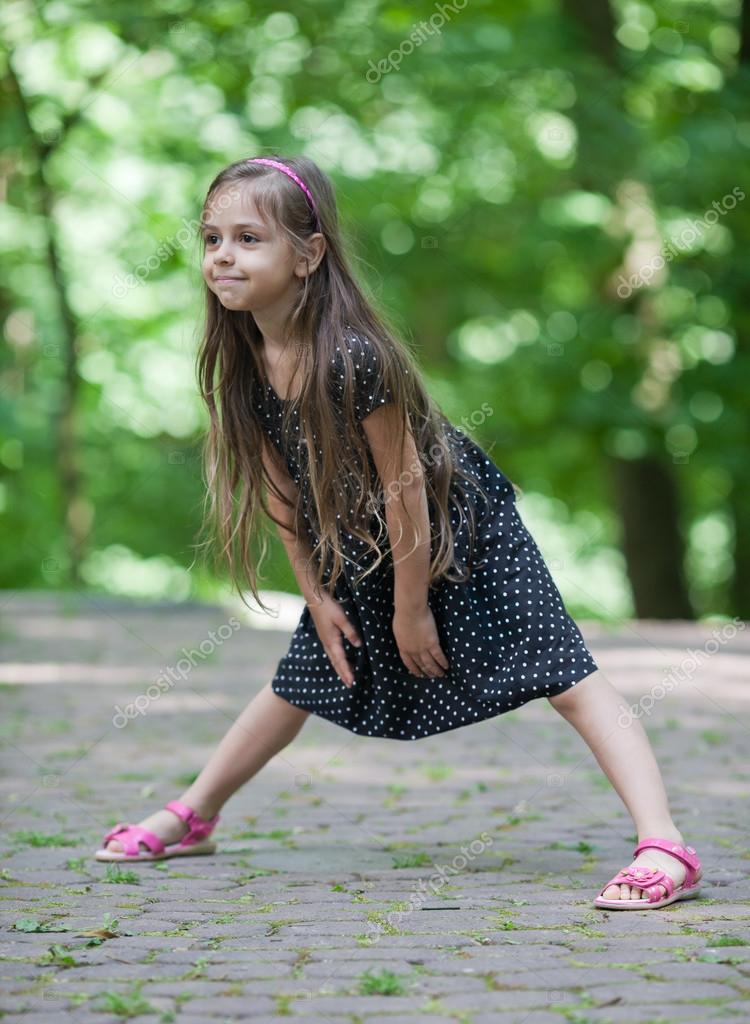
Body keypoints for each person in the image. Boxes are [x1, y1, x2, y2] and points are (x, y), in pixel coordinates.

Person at [95, 155, 703, 911]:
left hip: (456, 526)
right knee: (316, 665)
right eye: (212, 238)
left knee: (565, 674)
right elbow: (284, 493)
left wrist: (410, 608)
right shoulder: (242, 356)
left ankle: (664, 843)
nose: (222, 255)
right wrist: (315, 596)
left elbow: (406, 488)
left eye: (249, 238)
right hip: (357, 535)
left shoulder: (354, 357)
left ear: (309, 254)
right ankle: (195, 814)